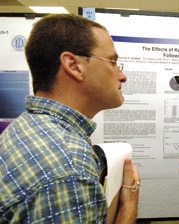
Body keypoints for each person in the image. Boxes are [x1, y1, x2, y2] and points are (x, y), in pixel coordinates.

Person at [0, 14, 139, 223]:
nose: (122, 76)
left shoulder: (25, 126)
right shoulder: (69, 170)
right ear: (73, 66)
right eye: (112, 62)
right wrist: (128, 207)